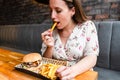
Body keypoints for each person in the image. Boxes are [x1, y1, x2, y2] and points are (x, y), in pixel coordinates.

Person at [41, 0, 99, 80]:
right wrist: (49, 47)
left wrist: (71, 71)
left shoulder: (87, 26)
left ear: (72, 11)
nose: (52, 16)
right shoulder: (51, 34)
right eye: (51, 11)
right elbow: (45, 63)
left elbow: (92, 57)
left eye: (58, 11)